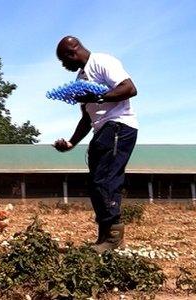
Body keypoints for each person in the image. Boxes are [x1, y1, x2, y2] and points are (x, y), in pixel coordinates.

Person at [52, 36, 138, 253]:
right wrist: (71, 142)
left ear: (72, 52)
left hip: (119, 126)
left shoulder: (101, 62)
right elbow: (87, 118)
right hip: (102, 130)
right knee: (96, 183)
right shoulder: (81, 78)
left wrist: (99, 97)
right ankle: (104, 238)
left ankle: (114, 239)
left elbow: (129, 88)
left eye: (64, 61)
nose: (64, 66)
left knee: (106, 180)